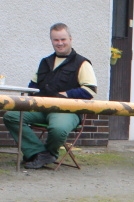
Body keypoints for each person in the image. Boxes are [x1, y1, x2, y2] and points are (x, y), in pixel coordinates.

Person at [3, 23, 97, 169]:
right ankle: (39, 153)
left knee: (58, 128)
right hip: (41, 108)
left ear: (70, 39)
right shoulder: (45, 62)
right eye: (56, 40)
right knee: (12, 116)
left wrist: (65, 94)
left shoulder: (82, 63)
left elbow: (90, 91)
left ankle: (49, 153)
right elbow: (32, 86)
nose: (60, 43)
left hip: (67, 110)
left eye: (63, 39)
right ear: (51, 41)